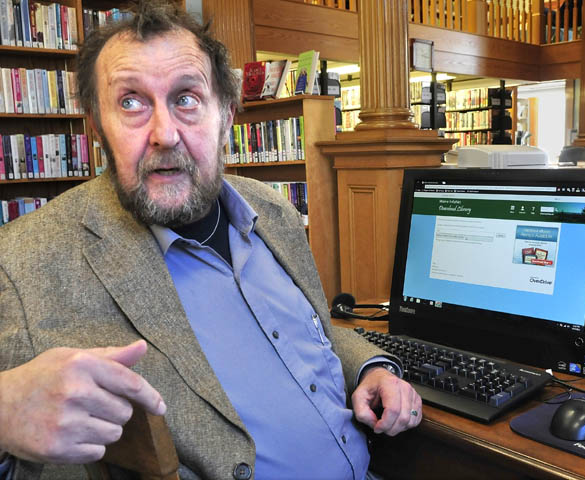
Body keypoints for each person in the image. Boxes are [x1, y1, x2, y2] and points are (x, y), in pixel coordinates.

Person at [0, 1, 421, 478]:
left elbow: (309, 336)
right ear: (96, 128)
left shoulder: (274, 212)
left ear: (227, 116)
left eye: (186, 98)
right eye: (131, 102)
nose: (164, 134)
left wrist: (372, 368)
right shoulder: (21, 264)